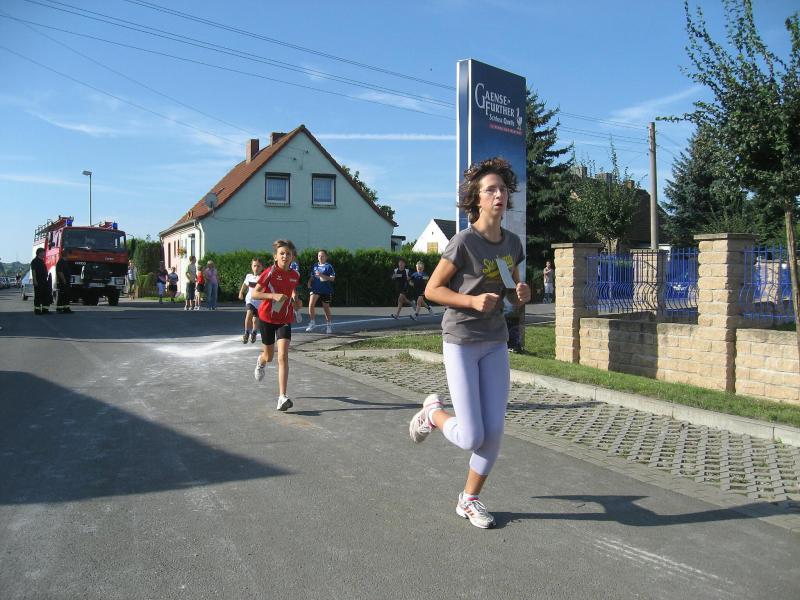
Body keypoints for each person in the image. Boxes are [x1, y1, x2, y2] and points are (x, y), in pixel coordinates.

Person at [408, 157, 531, 529]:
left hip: (494, 340)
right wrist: (471, 301)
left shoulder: (512, 243)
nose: (498, 195)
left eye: (502, 189)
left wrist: (521, 293)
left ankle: (469, 499)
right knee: (471, 436)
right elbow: (433, 290)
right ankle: (432, 413)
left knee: (494, 432)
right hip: (461, 339)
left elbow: (512, 288)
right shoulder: (463, 242)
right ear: (477, 199)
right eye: (490, 190)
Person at [252, 240, 302, 411]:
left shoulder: (295, 275)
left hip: (285, 318)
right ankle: (261, 361)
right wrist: (273, 296)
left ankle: (282, 397)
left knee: (283, 356)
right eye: (282, 253)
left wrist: (296, 301)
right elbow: (255, 293)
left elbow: (292, 288)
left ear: (292, 257)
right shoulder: (269, 272)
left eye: (288, 254)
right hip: (267, 317)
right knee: (269, 356)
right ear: (275, 256)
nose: (285, 256)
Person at [305, 249, 336, 334]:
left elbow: (332, 279)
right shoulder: (315, 265)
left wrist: (322, 275)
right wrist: (309, 282)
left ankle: (329, 325)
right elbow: (312, 276)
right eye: (319, 256)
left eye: (322, 256)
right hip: (315, 289)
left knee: (326, 308)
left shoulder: (329, 266)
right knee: (311, 305)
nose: (320, 257)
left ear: (326, 257)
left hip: (326, 290)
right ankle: (312, 323)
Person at [238, 257, 264, 344]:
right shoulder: (249, 276)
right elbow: (245, 285)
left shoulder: (263, 277)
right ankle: (246, 333)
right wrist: (241, 292)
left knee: (255, 320)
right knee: (249, 314)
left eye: (258, 266)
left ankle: (254, 332)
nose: (256, 268)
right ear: (251, 266)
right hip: (250, 300)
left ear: (262, 267)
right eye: (254, 266)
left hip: (259, 302)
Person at [30, 247, 52, 315]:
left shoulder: (42, 261)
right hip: (38, 281)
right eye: (43, 252)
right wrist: (35, 280)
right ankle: (37, 310)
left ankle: (45, 310)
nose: (44, 254)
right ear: (39, 253)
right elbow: (34, 271)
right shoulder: (34, 261)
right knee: (38, 296)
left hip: (44, 281)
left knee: (45, 295)